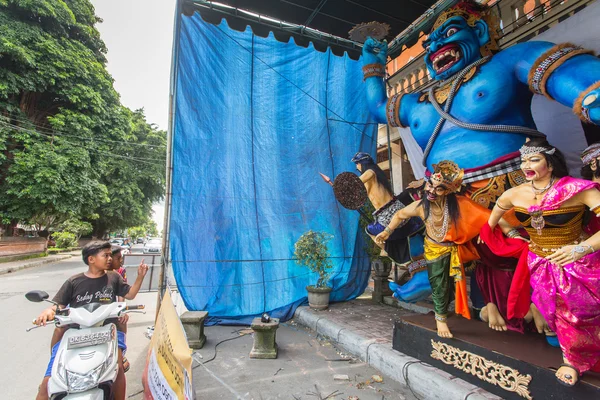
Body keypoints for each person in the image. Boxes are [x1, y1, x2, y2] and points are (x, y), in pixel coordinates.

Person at [482, 138, 600, 387]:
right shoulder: (515, 193)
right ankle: (572, 360)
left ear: (551, 162)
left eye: (534, 159)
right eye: (524, 160)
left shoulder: (578, 189)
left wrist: (581, 248)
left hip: (579, 261)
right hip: (540, 262)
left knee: (585, 311)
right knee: (557, 314)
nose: (527, 165)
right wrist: (489, 232)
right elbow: (496, 210)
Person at [375, 160, 515, 338]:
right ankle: (440, 321)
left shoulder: (459, 204)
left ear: (448, 191)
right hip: (434, 252)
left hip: (456, 251)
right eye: (430, 185)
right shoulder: (421, 206)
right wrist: (387, 232)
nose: (431, 191)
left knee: (450, 288)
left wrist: (511, 233)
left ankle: (452, 311)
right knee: (439, 286)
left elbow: (491, 217)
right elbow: (400, 214)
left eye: (439, 188)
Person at [35, 241, 149, 400]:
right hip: (75, 333)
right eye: (105, 255)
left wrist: (140, 277)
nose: (110, 258)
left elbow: (129, 295)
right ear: (91, 259)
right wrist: (47, 311)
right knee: (50, 378)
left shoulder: (113, 277)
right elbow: (57, 305)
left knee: (117, 368)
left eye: (110, 255)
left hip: (106, 332)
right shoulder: (74, 281)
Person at [351, 152, 430, 302]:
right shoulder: (374, 175)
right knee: (373, 229)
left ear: (362, 163)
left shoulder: (369, 172)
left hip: (389, 212)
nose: (357, 167)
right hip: (387, 211)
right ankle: (387, 248)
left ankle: (384, 248)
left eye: (357, 165)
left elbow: (357, 183)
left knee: (370, 229)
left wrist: (345, 186)